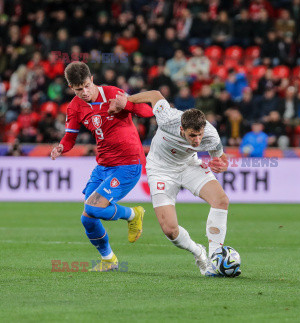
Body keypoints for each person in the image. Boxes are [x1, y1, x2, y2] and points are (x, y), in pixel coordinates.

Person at [109, 90, 235, 277]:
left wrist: (221, 164)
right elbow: (154, 94)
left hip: (189, 165)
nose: (197, 140)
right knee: (170, 229)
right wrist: (125, 101)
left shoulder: (211, 134)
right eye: (193, 135)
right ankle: (198, 252)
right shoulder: (167, 118)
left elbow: (220, 158)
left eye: (199, 135)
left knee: (221, 200)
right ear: (182, 129)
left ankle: (214, 259)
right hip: (160, 170)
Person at [50, 62, 154, 272]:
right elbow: (70, 138)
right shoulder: (74, 107)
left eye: (87, 86)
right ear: (71, 87)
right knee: (87, 219)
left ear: (92, 79)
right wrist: (61, 147)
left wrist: (127, 104)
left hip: (127, 163)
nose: (85, 92)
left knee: (92, 208)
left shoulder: (112, 93)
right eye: (79, 89)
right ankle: (109, 259)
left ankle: (133, 214)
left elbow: (148, 111)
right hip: (103, 166)